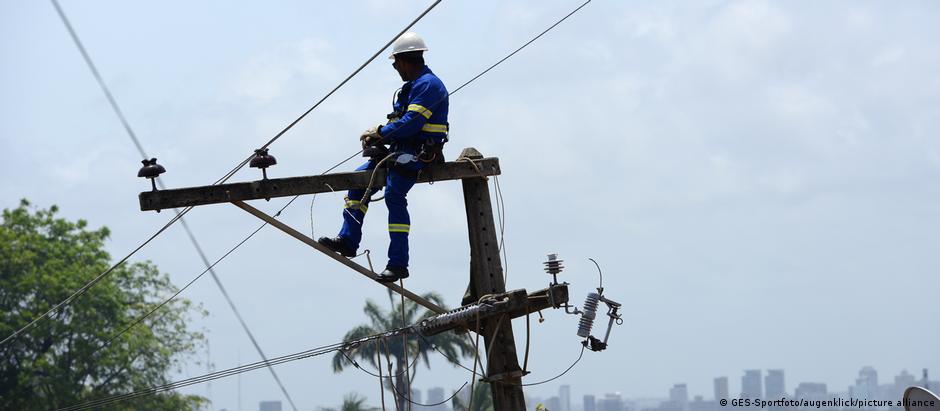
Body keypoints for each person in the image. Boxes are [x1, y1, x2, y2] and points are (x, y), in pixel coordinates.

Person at [318, 32, 449, 283]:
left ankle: (398, 263)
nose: (395, 68)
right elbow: (399, 121)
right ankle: (348, 240)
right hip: (398, 151)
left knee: (394, 193)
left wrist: (380, 133)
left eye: (395, 63)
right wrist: (379, 136)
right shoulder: (411, 88)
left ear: (402, 61)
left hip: (418, 153)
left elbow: (411, 123)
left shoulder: (429, 85)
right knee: (358, 181)